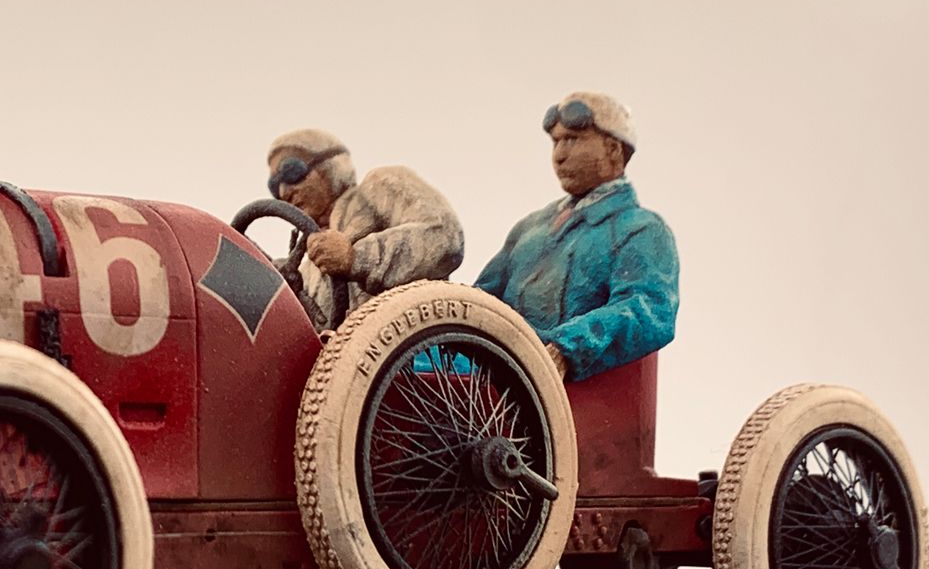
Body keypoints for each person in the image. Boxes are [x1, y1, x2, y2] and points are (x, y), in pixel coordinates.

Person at [474, 92, 679, 382]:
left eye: (572, 140)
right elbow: (478, 302)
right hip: (490, 374)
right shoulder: (531, 228)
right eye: (555, 142)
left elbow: (648, 310)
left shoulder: (641, 230)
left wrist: (568, 347)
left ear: (612, 149)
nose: (559, 155)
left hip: (562, 392)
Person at [267, 129, 463, 330]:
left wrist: (355, 258)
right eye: (274, 186)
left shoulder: (378, 185)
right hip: (350, 348)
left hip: (412, 338)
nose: (283, 192)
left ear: (329, 164)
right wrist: (290, 295)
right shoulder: (308, 266)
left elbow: (444, 236)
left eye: (292, 172)